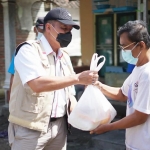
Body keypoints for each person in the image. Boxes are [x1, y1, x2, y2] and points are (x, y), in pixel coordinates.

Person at [8, 7, 98, 150]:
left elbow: (69, 94)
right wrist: (78, 78)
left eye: (70, 30)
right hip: (30, 128)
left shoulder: (65, 56)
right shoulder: (28, 50)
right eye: (64, 28)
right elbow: (37, 84)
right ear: (49, 27)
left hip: (59, 129)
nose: (68, 34)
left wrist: (87, 118)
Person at [90, 20, 150, 150]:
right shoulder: (138, 68)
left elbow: (140, 117)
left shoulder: (147, 73)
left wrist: (109, 126)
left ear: (141, 45)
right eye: (121, 47)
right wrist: (98, 85)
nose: (123, 51)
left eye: (126, 47)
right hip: (134, 143)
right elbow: (123, 94)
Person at [7, 17, 44, 101]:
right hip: (26, 99)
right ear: (35, 29)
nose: (44, 32)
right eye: (41, 29)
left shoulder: (55, 51)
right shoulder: (25, 49)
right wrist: (11, 100)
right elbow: (13, 75)